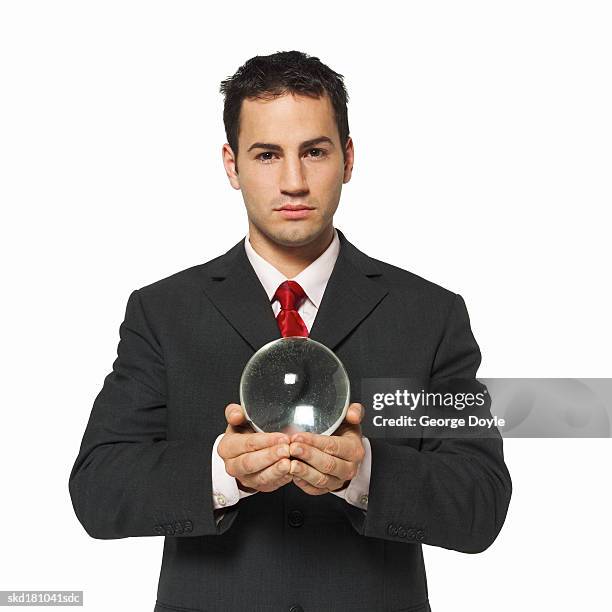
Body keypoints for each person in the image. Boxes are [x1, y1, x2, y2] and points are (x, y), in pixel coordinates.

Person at [69, 50, 512, 612]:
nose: (294, 181)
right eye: (267, 154)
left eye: (315, 152)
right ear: (232, 165)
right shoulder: (163, 312)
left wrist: (365, 471)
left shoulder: (429, 315)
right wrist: (220, 472)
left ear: (348, 159)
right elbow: (97, 488)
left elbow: (481, 503)